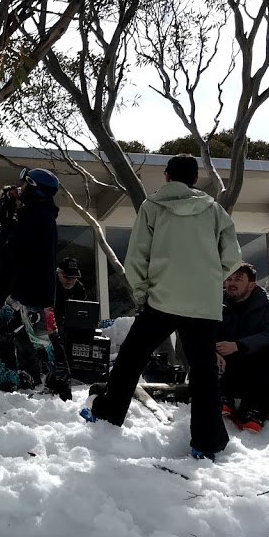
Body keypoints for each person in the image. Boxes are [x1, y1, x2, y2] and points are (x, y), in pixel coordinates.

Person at [82, 155, 242, 460]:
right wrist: (208, 281)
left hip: (162, 299)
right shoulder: (214, 210)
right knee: (204, 371)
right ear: (195, 180)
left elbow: (137, 257)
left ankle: (107, 414)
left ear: (167, 177)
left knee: (131, 357)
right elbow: (232, 256)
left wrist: (142, 295)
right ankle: (207, 442)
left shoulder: (152, 207)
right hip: (203, 303)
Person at [0, 168, 72, 399]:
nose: (20, 189)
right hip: (27, 289)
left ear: (34, 189)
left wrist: (6, 225)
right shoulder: (39, 214)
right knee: (3, 331)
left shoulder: (37, 216)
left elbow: (13, 250)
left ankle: (59, 387)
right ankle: (10, 378)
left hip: (32, 292)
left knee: (44, 341)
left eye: (25, 185)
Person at [217, 263, 269, 432]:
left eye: (238, 279)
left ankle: (252, 412)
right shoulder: (215, 301)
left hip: (253, 367)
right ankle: (222, 398)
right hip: (222, 365)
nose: (231, 283)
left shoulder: (267, 305)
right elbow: (204, 330)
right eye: (228, 279)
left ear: (252, 285)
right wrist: (212, 349)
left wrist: (240, 345)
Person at [54, 258, 87, 328]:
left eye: (74, 277)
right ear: (58, 273)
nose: (70, 280)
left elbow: (82, 310)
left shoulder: (78, 287)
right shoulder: (50, 286)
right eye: (66, 276)